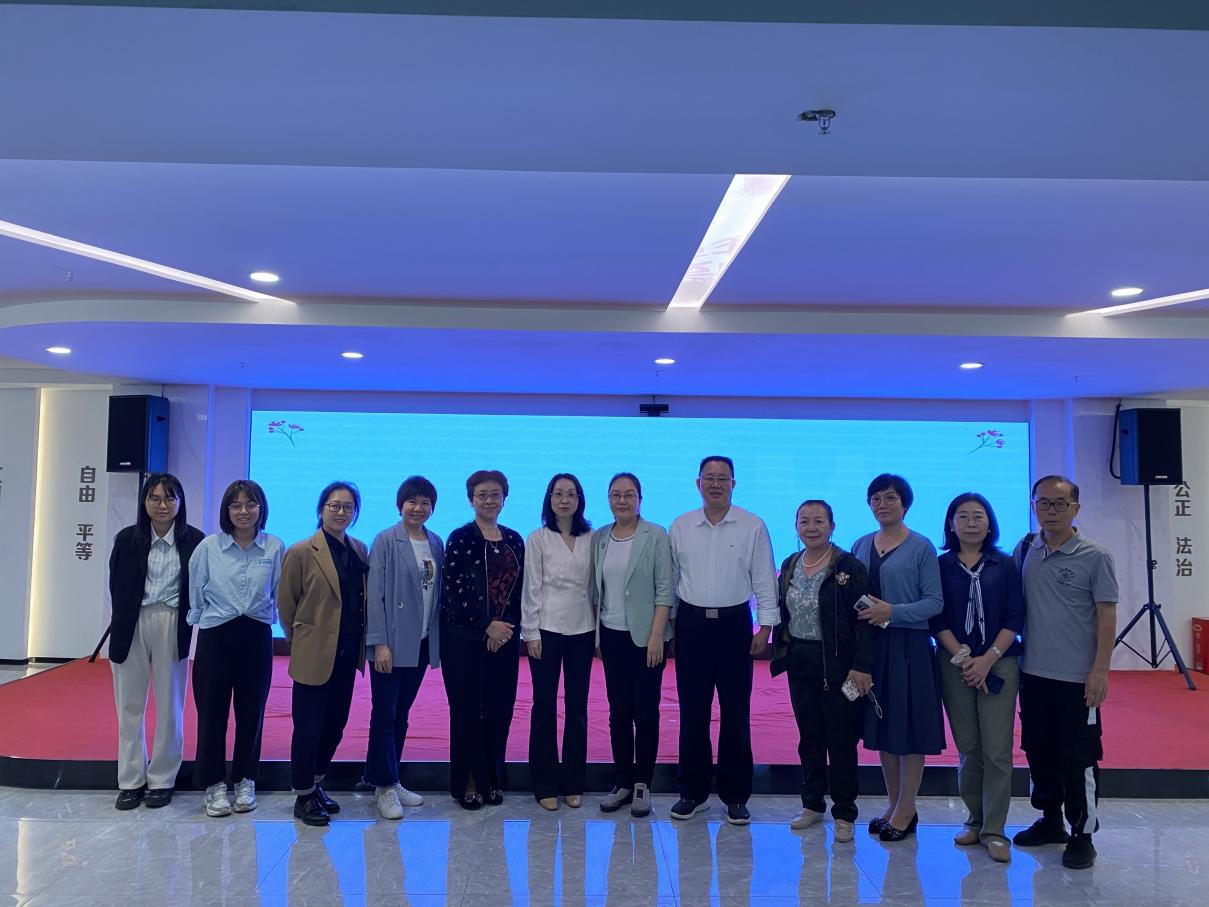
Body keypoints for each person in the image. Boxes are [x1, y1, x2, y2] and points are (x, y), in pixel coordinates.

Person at [1012, 475, 1118, 870]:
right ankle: (1050, 820)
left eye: (1060, 504)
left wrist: (1100, 670)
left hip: (1077, 679)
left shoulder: (1095, 556)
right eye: (1043, 503)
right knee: (1038, 750)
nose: (1051, 511)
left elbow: (1106, 616)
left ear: (1076, 508)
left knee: (1079, 757)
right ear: (1033, 506)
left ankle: (1082, 834)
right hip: (1033, 674)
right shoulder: (1026, 548)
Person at [668, 455, 778, 826]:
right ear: (697, 483)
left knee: (736, 712)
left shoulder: (752, 525)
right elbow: (671, 580)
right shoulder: (681, 525)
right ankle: (693, 792)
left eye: (723, 478)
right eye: (709, 477)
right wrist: (671, 626)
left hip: (734, 626)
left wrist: (765, 627)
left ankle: (735, 795)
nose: (715, 484)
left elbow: (764, 579)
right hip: (691, 624)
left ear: (733, 484)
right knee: (692, 712)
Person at [770, 499, 874, 844]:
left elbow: (865, 620)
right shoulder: (790, 564)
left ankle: (844, 811)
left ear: (832, 526)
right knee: (809, 735)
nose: (811, 527)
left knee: (841, 738)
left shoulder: (849, 567)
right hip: (800, 659)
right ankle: (811, 804)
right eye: (804, 521)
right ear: (796, 526)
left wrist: (861, 665)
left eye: (819, 521)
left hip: (839, 664)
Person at [851, 473, 944, 842]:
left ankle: (908, 807)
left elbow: (934, 603)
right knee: (883, 726)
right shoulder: (860, 544)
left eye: (890, 497)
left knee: (910, 728)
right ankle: (893, 804)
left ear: (905, 503)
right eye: (876, 498)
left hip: (910, 647)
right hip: (872, 647)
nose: (882, 504)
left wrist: (893, 612)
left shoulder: (921, 547)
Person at [932, 492, 1024, 863]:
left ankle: (995, 830)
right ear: (951, 523)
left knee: (997, 750)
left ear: (989, 524)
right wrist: (966, 659)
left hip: (999, 662)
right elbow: (936, 617)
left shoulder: (1005, 564)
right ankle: (974, 819)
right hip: (955, 663)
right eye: (963, 516)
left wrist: (987, 659)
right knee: (969, 747)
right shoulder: (940, 565)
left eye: (979, 516)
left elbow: (1015, 616)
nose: (971, 523)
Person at [107, 473, 205, 810]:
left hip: (172, 621)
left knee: (170, 704)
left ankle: (162, 778)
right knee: (129, 706)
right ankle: (131, 780)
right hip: (132, 623)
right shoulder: (126, 539)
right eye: (155, 498)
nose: (162, 505)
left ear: (180, 502)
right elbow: (116, 585)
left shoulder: (194, 540)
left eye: (169, 498)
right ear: (144, 502)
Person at [187, 479, 283, 818]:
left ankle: (245, 779)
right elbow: (195, 589)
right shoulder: (209, 547)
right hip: (216, 634)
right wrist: (202, 618)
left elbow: (278, 591)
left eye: (251, 504)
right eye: (236, 505)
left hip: (256, 635)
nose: (244, 511)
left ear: (261, 508)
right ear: (226, 510)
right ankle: (213, 784)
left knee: (251, 713)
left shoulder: (274, 547)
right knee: (211, 713)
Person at [278, 481, 369, 827]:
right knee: (308, 727)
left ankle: (316, 784)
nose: (341, 512)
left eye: (348, 507)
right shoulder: (301, 551)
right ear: (320, 509)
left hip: (347, 654)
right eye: (334, 505)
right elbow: (286, 605)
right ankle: (303, 795)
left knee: (335, 724)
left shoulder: (359, 549)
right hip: (314, 653)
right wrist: (302, 640)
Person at [440, 469, 525, 810]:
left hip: (505, 639)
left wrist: (504, 629)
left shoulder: (515, 539)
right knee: (467, 712)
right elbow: (454, 591)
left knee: (499, 711)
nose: (489, 500)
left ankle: (491, 779)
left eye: (495, 494)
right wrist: (486, 625)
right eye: (482, 495)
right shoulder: (460, 538)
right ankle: (469, 782)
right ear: (470, 499)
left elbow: (520, 592)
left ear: (505, 498)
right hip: (464, 640)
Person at [590, 472, 673, 818]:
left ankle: (642, 784)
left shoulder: (655, 535)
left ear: (640, 499)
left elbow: (665, 589)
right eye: (615, 495)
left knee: (646, 712)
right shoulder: (600, 537)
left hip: (646, 639)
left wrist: (656, 636)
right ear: (608, 499)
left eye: (629, 494)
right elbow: (597, 591)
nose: (622, 500)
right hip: (611, 636)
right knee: (618, 712)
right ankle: (623, 780)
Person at [364, 475, 444, 820]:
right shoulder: (385, 540)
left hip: (421, 641)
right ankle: (383, 786)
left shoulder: (435, 542)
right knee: (384, 712)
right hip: (392, 643)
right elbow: (375, 595)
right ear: (400, 505)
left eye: (425, 502)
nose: (418, 508)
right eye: (412, 501)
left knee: (401, 713)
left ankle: (390, 778)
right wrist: (380, 643)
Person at [522, 473, 595, 811]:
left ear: (580, 500)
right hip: (546, 631)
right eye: (558, 494)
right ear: (549, 499)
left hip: (583, 630)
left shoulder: (592, 537)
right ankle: (545, 784)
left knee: (578, 708)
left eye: (571, 494)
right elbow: (531, 587)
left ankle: (574, 782)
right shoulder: (538, 538)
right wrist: (530, 632)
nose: (565, 500)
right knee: (544, 706)